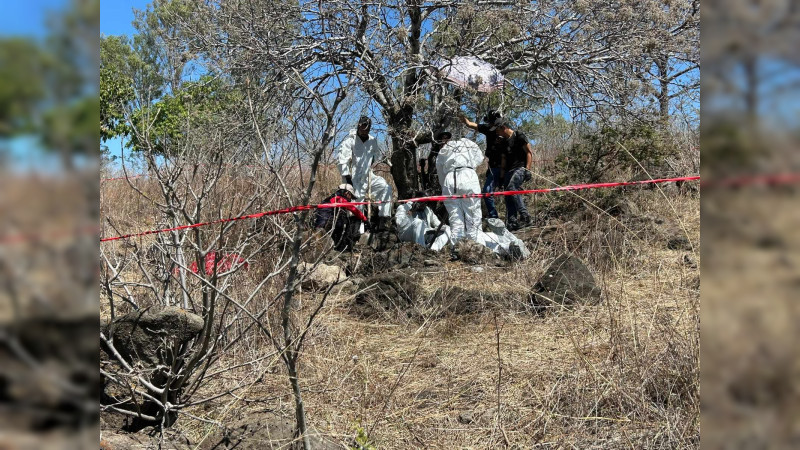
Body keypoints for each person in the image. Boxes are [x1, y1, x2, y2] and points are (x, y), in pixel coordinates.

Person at [335, 116, 393, 231]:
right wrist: (348, 179)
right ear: (358, 125)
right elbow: (342, 161)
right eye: (362, 126)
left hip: (368, 174)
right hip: (353, 177)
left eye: (366, 127)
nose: (364, 129)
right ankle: (357, 231)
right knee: (357, 202)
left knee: (385, 188)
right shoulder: (350, 140)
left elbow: (375, 154)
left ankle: (383, 221)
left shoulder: (372, 140)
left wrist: (372, 162)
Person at [435, 132, 484, 243]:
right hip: (468, 176)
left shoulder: (444, 150)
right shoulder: (468, 143)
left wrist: (445, 189)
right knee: (473, 214)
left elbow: (440, 172)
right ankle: (475, 245)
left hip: (450, 179)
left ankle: (456, 247)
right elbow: (480, 159)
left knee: (455, 218)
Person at [460, 110, 504, 219]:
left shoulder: (505, 129)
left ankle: (516, 218)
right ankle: (493, 217)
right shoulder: (487, 129)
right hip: (493, 166)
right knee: (487, 192)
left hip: (506, 165)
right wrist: (459, 113)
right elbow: (469, 124)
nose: (490, 125)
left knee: (509, 192)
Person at [494, 118, 533, 231]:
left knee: (512, 188)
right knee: (508, 194)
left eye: (497, 130)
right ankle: (512, 221)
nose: (496, 132)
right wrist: (501, 177)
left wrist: (528, 170)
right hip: (508, 171)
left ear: (503, 127)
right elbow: (503, 160)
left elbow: (529, 153)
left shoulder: (519, 136)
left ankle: (525, 216)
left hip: (520, 168)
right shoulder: (504, 143)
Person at [313, 184, 368, 252]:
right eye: (350, 196)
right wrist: (365, 219)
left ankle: (338, 248)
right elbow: (354, 210)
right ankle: (342, 248)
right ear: (346, 193)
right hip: (328, 222)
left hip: (319, 223)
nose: (350, 199)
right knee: (345, 224)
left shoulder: (329, 198)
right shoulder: (340, 199)